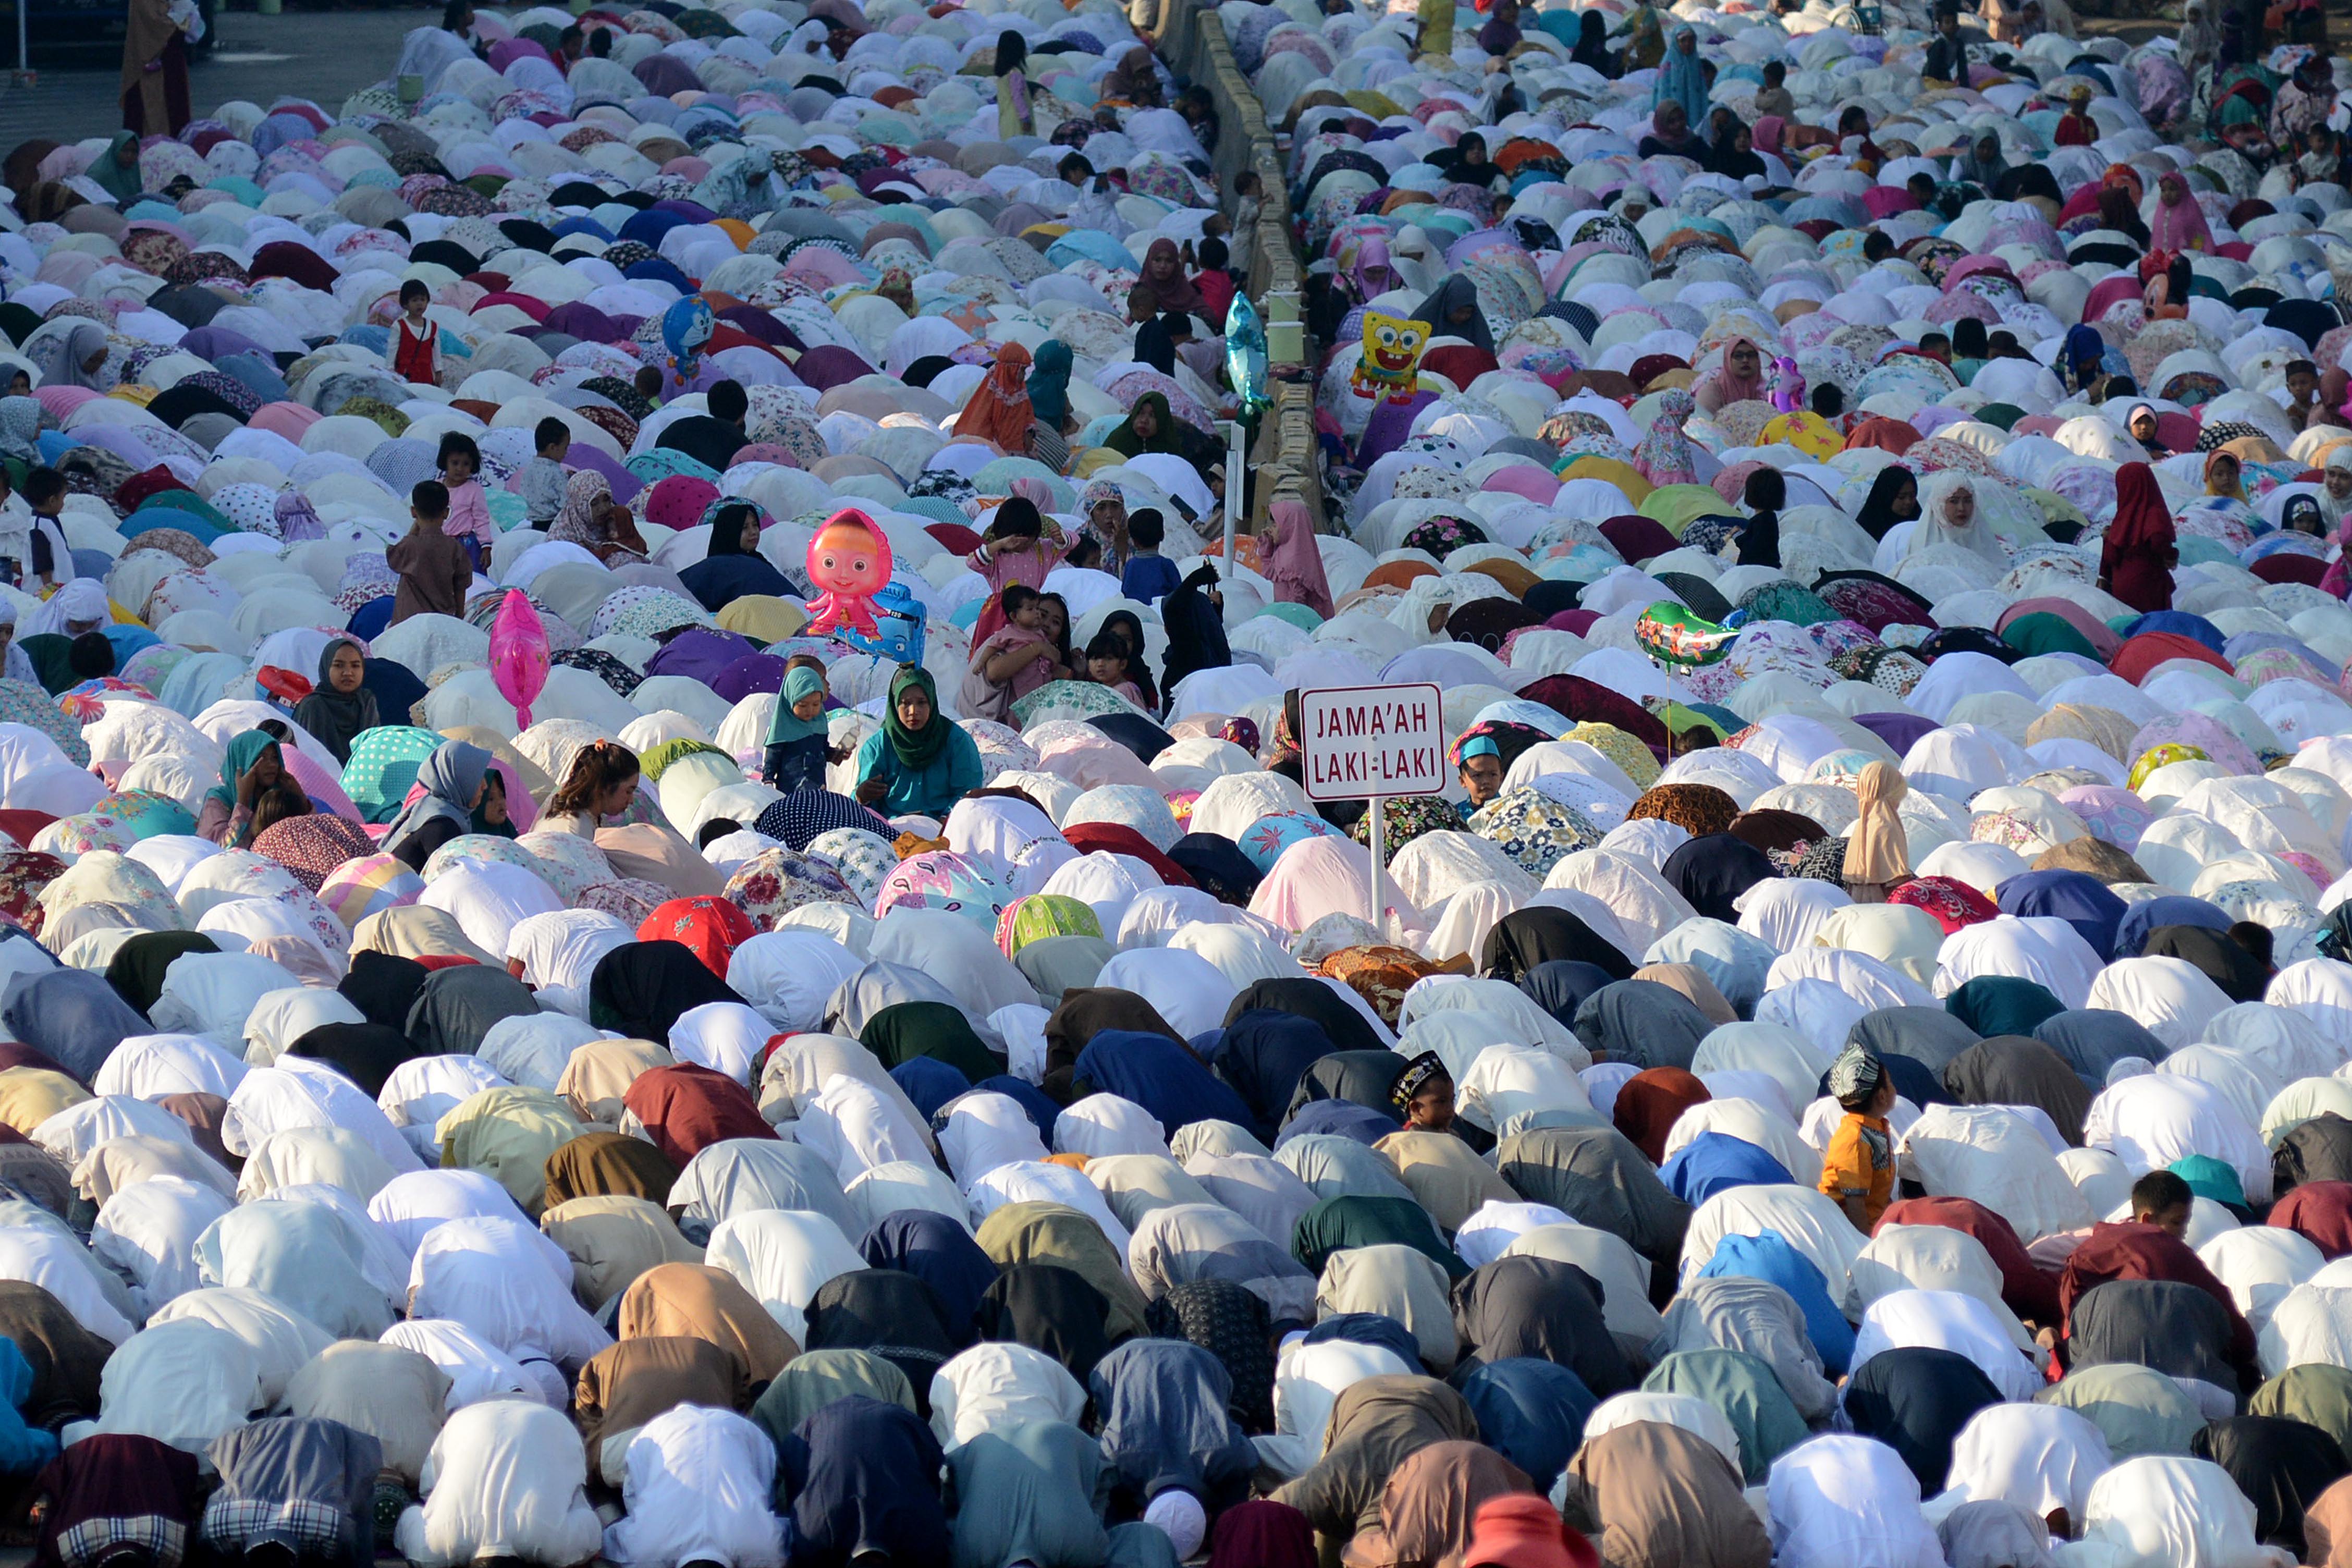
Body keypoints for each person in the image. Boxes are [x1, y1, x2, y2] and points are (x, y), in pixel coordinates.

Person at [853, 665, 983, 820]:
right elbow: (864, 809)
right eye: (905, 703)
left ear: (933, 702)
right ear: (894, 705)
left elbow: (967, 794)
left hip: (944, 827)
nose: (914, 711)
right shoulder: (877, 747)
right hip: (890, 827)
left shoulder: (956, 741)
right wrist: (862, 796)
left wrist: (944, 823)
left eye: (922, 702)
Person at [961, 583, 1069, 724]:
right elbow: (994, 672)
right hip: (982, 725)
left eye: (1055, 622)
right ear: (1016, 616)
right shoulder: (1010, 638)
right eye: (1041, 614)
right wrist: (1037, 648)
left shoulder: (1047, 654)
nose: (1046, 623)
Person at [382, 739, 494, 870]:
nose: (485, 786)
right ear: (458, 778)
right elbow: (447, 880)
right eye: (477, 778)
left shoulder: (434, 806)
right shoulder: (441, 824)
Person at [1820, 1043, 1896, 1230]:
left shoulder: (1875, 1127)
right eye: (1890, 1083)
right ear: (1882, 1097)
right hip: (1849, 1231)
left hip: (1876, 1223)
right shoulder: (1854, 1138)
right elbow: (1855, 1203)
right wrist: (1865, 1246)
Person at [965, 498, 1056, 645]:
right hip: (1000, 611)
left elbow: (1073, 542)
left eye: (1028, 538)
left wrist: (1060, 537)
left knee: (1030, 644)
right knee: (997, 645)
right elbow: (971, 562)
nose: (1022, 542)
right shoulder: (996, 557)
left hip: (1031, 608)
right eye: (1017, 537)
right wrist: (1000, 544)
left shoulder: (1040, 550)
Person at [198, 730, 309, 848]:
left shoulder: (275, 797)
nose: (272, 765)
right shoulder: (218, 801)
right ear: (244, 761)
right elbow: (222, 851)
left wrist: (300, 798)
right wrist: (242, 803)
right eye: (261, 758)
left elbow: (308, 838)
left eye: (275, 758)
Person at [678, 501, 790, 612]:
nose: (753, 532)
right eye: (745, 528)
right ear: (729, 532)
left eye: (755, 525)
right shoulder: (716, 572)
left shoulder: (761, 561)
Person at [388, 480, 473, 626]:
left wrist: (414, 529)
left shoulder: (409, 545)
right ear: (446, 513)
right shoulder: (455, 548)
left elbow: (394, 560)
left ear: (413, 512)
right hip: (442, 621)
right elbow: (461, 587)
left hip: (407, 622)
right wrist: (459, 618)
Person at [2099, 461, 2177, 614]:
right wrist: (2171, 555)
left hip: (2121, 586)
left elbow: (2112, 556)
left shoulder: (2121, 517)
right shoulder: (2154, 512)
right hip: (2148, 584)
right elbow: (2158, 540)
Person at [290, 636, 379, 767]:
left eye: (355, 666)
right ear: (326, 668)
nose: (348, 673)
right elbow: (307, 759)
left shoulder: (366, 701)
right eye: (339, 665)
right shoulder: (313, 706)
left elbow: (374, 750)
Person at [763, 663, 839, 792]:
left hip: (818, 789)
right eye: (803, 705)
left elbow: (823, 751)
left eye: (816, 704)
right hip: (791, 791)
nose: (810, 710)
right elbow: (772, 758)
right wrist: (768, 780)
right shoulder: (783, 728)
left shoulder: (819, 725)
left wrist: (838, 753)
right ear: (789, 701)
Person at [541, 740, 641, 837]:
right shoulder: (574, 828)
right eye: (628, 791)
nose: (631, 801)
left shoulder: (584, 820)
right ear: (605, 786)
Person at [121, 0, 190, 134]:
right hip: (151, 58)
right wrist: (182, 21)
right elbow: (156, 22)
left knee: (174, 106)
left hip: (171, 58)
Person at [436, 433, 494, 569]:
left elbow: (481, 519)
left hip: (466, 545)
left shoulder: (474, 490)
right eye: (455, 463)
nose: (460, 469)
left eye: (466, 464)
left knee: (470, 581)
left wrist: (486, 546)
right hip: (439, 543)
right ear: (445, 462)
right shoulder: (437, 487)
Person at [18, 469, 69, 594]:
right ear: (52, 501)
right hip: (45, 593)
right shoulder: (39, 525)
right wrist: (50, 593)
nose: (64, 503)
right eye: (63, 498)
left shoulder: (49, 521)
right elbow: (43, 564)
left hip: (58, 590)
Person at [387, 279, 443, 390]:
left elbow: (436, 351)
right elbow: (392, 351)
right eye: (415, 300)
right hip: (404, 375)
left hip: (426, 374)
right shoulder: (399, 326)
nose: (420, 304)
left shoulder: (433, 326)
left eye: (423, 300)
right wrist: (390, 373)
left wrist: (439, 371)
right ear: (405, 304)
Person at [1120, 509, 1180, 605]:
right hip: (1161, 616)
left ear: (1133, 541)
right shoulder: (1166, 565)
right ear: (1162, 535)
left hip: (1136, 614)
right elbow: (1180, 594)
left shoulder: (1130, 565)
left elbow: (1125, 593)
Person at [519, 417, 569, 526]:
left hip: (534, 524)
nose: (566, 453)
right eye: (565, 448)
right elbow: (565, 503)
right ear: (553, 447)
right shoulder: (556, 473)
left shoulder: (528, 470)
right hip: (554, 523)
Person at [1391, 1051, 1457, 1134]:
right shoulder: (1412, 1140)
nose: (1450, 1108)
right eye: (1442, 1101)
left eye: (1452, 1100)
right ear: (1416, 1108)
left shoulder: (1450, 1133)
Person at [1083, 632, 1145, 706]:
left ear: (1123, 664)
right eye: (1095, 659)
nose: (1100, 664)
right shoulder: (1101, 689)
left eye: (1109, 658)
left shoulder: (1124, 691)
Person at [1456, 734, 1504, 810]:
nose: (1486, 781)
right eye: (1478, 775)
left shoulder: (1514, 811)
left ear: (1501, 778)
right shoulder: (1456, 814)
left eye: (1493, 775)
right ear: (1463, 781)